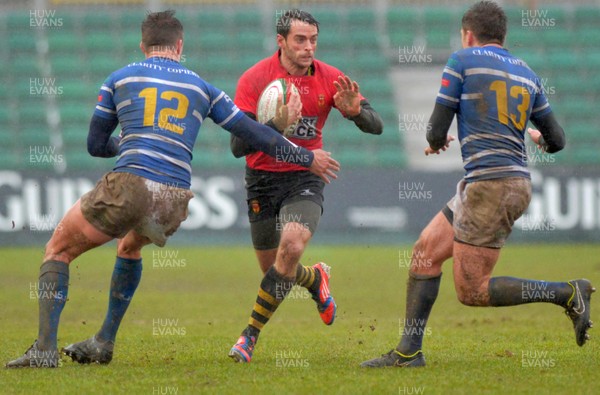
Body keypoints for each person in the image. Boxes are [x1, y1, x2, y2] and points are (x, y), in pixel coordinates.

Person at [6, 10, 339, 368]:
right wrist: (306, 158)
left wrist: (132, 143)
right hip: (175, 196)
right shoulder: (202, 87)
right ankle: (103, 341)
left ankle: (43, 350)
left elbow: (95, 144)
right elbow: (255, 135)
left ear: (143, 45)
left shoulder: (119, 78)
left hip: (131, 184)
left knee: (57, 250)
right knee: (130, 246)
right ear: (180, 46)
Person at [361, 0, 594, 368]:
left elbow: (436, 128)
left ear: (468, 34)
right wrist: (538, 139)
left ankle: (567, 293)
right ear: (501, 36)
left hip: (491, 184)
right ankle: (408, 352)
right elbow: (558, 140)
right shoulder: (527, 73)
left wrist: (437, 143)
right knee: (425, 253)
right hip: (502, 180)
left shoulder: (462, 60)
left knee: (472, 290)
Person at [228, 9, 383, 363]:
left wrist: (357, 111)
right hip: (261, 181)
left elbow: (377, 127)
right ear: (280, 41)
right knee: (275, 269)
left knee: (292, 247)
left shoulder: (331, 78)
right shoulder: (255, 80)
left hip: (306, 176)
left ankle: (248, 337)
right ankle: (315, 280)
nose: (308, 47)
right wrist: (274, 124)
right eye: (300, 40)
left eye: (313, 40)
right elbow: (237, 147)